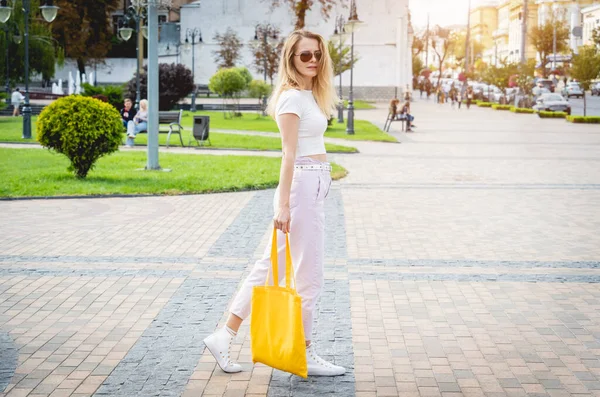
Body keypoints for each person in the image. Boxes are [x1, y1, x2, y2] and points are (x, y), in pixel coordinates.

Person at [203, 29, 345, 377]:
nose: (313, 61)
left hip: (312, 186)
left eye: (317, 54)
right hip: (301, 188)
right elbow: (288, 154)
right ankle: (305, 350)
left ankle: (224, 334)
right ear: (290, 59)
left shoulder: (310, 95)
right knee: (309, 274)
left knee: (268, 267)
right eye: (305, 55)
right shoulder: (291, 99)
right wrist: (282, 205)